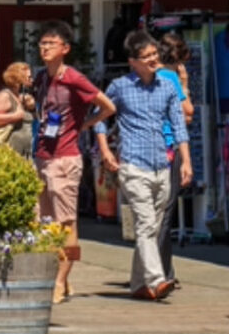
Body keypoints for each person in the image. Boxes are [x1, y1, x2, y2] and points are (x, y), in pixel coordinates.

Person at [95, 29, 192, 301]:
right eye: (145, 56)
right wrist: (105, 150)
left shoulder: (167, 86)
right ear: (132, 61)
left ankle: (138, 284)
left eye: (154, 54)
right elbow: (99, 117)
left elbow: (178, 125)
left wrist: (186, 161)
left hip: (162, 163)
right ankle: (157, 278)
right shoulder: (119, 87)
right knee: (146, 223)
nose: (152, 59)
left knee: (154, 225)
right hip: (134, 165)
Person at [32, 20, 115, 305]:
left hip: (65, 158)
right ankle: (56, 278)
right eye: (42, 43)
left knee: (65, 222)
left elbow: (108, 106)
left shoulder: (74, 78)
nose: (44, 48)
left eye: (50, 44)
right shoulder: (42, 78)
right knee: (42, 222)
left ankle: (59, 281)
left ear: (65, 49)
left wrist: (85, 124)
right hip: (41, 156)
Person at [156, 32, 193, 286]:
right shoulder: (170, 77)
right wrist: (185, 83)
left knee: (152, 212)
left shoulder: (140, 76)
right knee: (165, 211)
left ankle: (160, 268)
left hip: (147, 148)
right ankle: (161, 271)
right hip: (170, 147)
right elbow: (188, 112)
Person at [0, 61, 36, 160]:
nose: (32, 80)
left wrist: (32, 108)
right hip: (10, 152)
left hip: (24, 153)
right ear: (19, 78)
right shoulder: (5, 96)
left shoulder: (20, 97)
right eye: (29, 77)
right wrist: (15, 116)